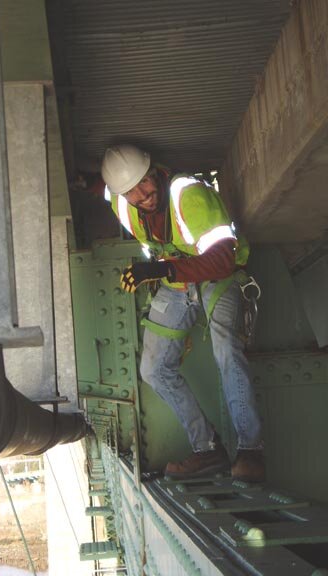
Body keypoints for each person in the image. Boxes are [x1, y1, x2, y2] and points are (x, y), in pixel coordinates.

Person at [101, 143, 265, 482]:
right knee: (153, 369)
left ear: (156, 172)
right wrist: (81, 180)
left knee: (226, 350)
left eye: (144, 182)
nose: (141, 195)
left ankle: (250, 451)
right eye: (130, 191)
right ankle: (207, 450)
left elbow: (222, 259)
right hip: (179, 283)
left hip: (218, 276)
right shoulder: (121, 199)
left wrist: (158, 272)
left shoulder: (186, 194)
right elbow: (104, 187)